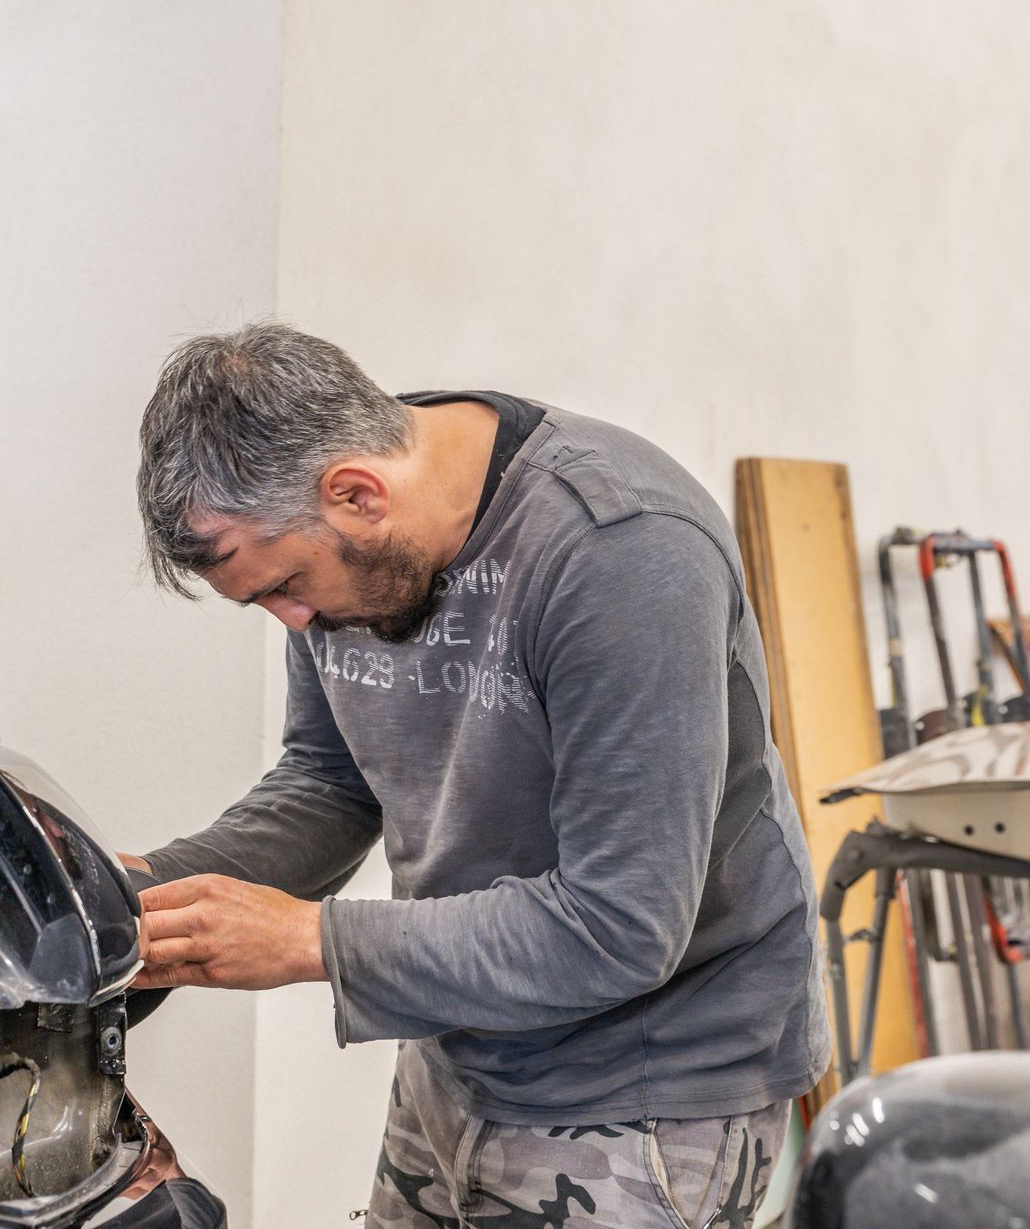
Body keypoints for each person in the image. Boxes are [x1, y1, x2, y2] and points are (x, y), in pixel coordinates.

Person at [125, 322, 828, 1227]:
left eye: (287, 586)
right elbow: (330, 784)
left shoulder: (620, 549)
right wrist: (139, 892)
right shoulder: (339, 525)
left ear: (357, 493)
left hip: (648, 1088)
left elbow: (621, 924)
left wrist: (313, 941)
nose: (294, 624)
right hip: (460, 1050)